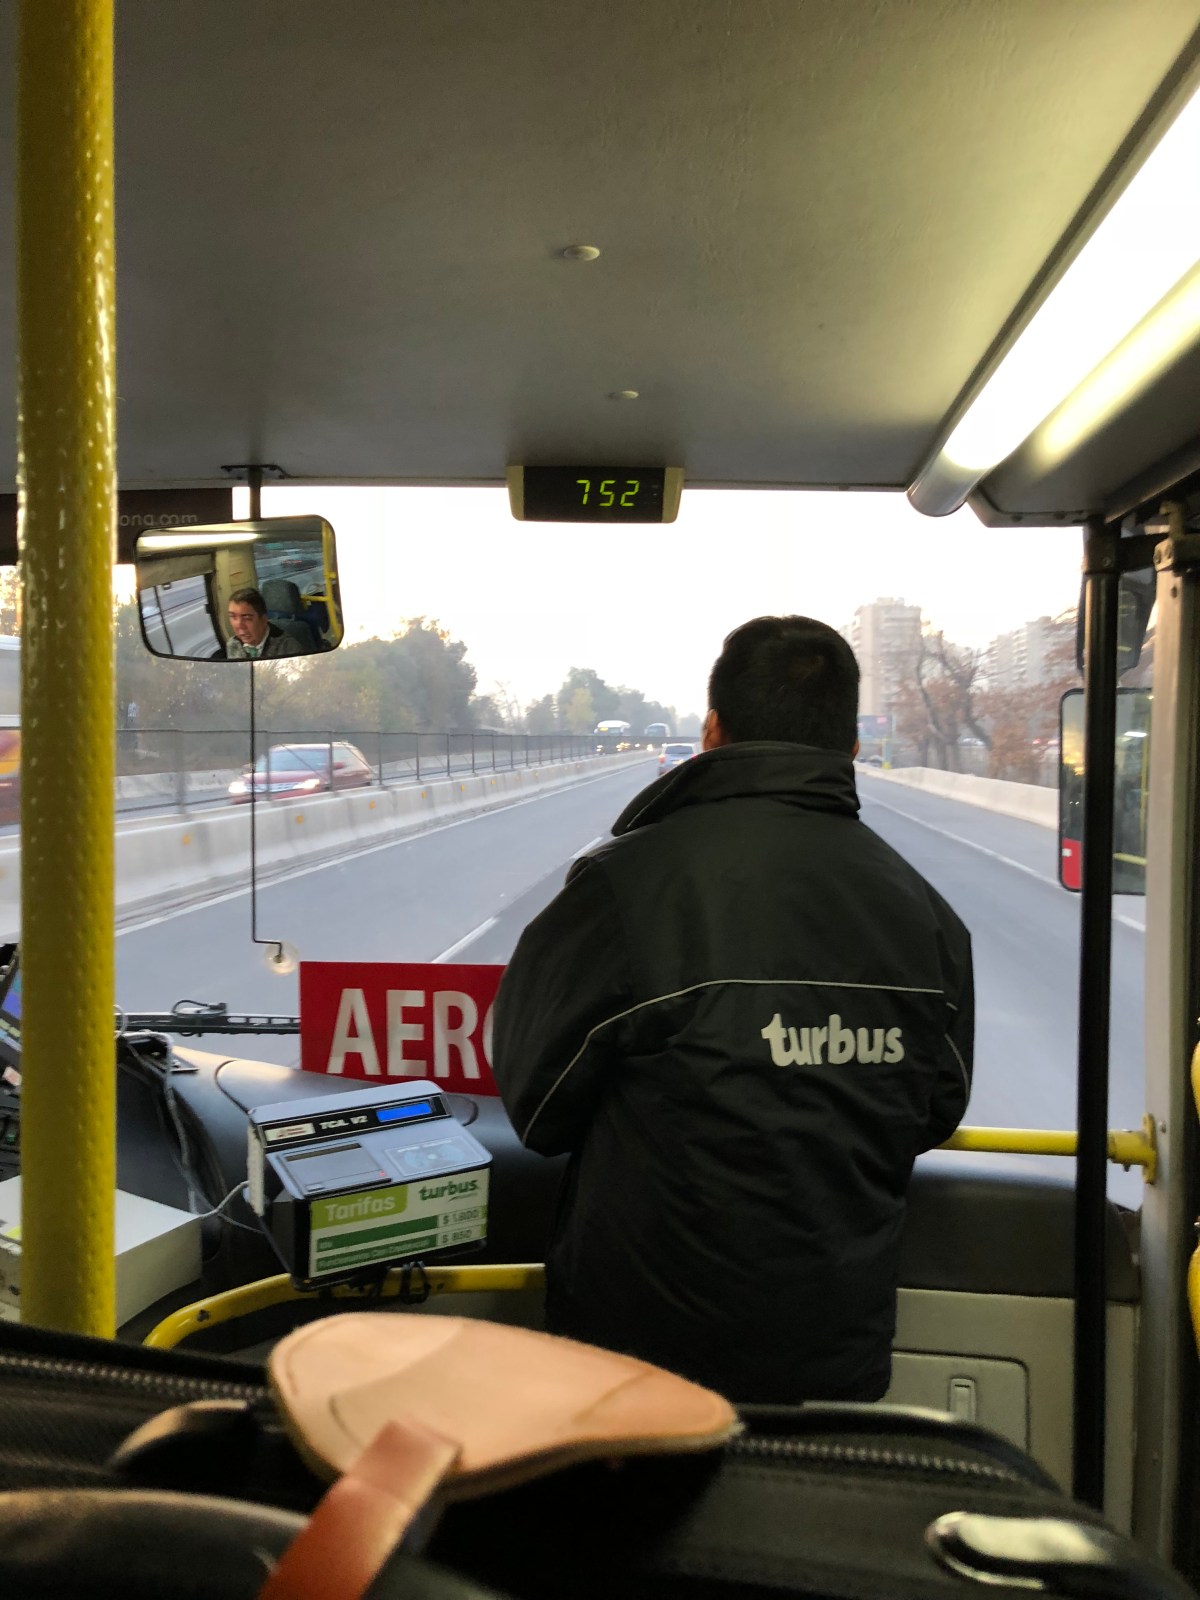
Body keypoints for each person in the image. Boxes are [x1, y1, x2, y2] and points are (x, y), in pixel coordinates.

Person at [491, 615, 973, 1404]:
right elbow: (936, 1110)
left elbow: (537, 1108)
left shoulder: (624, 886)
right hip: (834, 1367)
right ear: (853, 748)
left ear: (711, 733)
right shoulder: (926, 915)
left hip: (634, 1369)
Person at [224, 587, 306, 659]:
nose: (239, 625)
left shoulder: (288, 648)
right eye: (233, 617)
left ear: (264, 619)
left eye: (247, 618)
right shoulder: (233, 644)